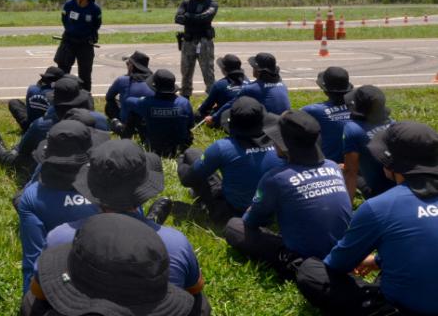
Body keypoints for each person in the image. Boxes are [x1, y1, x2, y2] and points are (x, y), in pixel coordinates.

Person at [42, 140, 211, 314]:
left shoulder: (59, 237)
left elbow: (41, 292)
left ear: (91, 189)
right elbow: (195, 289)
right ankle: (149, 220)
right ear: (144, 190)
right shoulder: (176, 243)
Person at [296, 121, 438, 316]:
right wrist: (377, 260)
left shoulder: (380, 206)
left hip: (405, 309)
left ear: (391, 163)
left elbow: (337, 264)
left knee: (311, 271)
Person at [225, 110, 352, 278]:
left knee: (234, 227)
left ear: (284, 144)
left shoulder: (276, 178)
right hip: (341, 253)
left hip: (304, 262)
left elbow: (252, 221)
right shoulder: (332, 166)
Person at [22, 214, 198, 316]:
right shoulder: (178, 242)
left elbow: (36, 294)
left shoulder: (57, 236)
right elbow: (198, 299)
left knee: (32, 302)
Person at [18, 120, 101, 292]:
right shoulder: (109, 191)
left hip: (58, 284)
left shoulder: (33, 196)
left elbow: (33, 260)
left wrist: (29, 302)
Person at [178, 97, 284, 225]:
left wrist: (181, 164)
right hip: (273, 211)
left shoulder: (223, 147)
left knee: (191, 153)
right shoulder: (280, 145)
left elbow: (188, 180)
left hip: (234, 212)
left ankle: (202, 198)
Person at [0, 76, 107, 179]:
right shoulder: (101, 120)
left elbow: (24, 150)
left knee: (19, 159)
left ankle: (3, 156)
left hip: (55, 174)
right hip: (90, 172)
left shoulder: (41, 125)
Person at [121, 69, 195, 158]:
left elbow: (128, 101)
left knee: (134, 113)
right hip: (179, 148)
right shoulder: (184, 103)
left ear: (155, 87)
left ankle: (124, 142)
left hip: (154, 147)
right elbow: (191, 125)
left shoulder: (146, 103)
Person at [207, 52, 291, 127]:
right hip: (285, 124)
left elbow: (231, 104)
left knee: (226, 114)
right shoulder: (282, 85)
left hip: (266, 128)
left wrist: (214, 118)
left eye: (253, 67)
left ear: (258, 71)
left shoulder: (251, 88)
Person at [342, 85, 394, 200]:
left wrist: (348, 209)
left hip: (376, 192)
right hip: (397, 186)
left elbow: (350, 172)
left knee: (341, 169)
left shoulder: (353, 129)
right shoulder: (393, 124)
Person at [53, 0, 102, 91]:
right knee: (62, 72)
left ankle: (86, 101)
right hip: (68, 42)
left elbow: (97, 25)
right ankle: (61, 97)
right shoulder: (69, 5)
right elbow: (64, 20)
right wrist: (72, 31)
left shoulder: (95, 9)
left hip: (85, 44)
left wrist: (86, 35)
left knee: (85, 75)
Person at [175, 0, 219, 98]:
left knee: (208, 72)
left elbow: (206, 17)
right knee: (186, 72)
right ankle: (185, 98)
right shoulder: (186, 2)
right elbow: (178, 18)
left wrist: (188, 17)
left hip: (204, 42)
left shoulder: (212, 3)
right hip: (188, 41)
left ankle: (212, 99)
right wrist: (196, 17)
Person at [301, 67, 353, 164]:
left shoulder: (313, 110)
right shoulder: (359, 108)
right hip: (355, 163)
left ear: (325, 90)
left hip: (329, 164)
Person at [8, 66, 64, 133]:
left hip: (29, 125)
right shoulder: (54, 94)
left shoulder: (31, 89)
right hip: (48, 127)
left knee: (14, 102)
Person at [194, 54, 249, 121]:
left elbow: (206, 106)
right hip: (248, 116)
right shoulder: (248, 82)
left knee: (197, 114)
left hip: (227, 118)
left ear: (224, 69)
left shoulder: (219, 85)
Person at [104, 50, 154, 123]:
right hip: (149, 119)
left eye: (128, 64)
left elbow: (109, 97)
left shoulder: (122, 80)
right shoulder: (155, 80)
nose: (127, 66)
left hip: (126, 120)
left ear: (132, 66)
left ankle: (119, 122)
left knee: (109, 105)